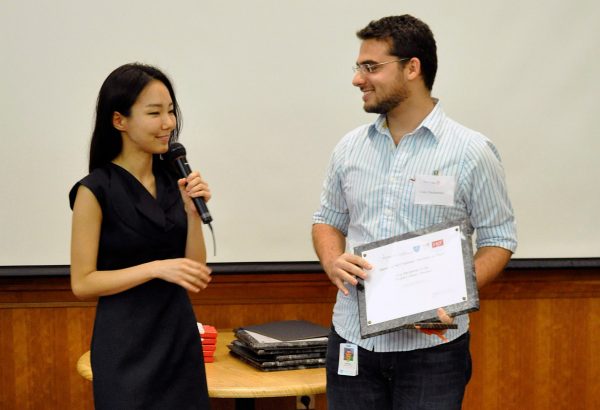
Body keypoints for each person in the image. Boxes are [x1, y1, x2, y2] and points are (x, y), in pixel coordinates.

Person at [312, 15, 517, 410]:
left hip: (433, 350)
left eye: (371, 67)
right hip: (353, 339)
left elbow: (499, 239)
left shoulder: (471, 151)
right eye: (358, 67)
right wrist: (333, 260)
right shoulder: (349, 148)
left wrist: (454, 297)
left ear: (412, 68)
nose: (358, 79)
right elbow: (327, 220)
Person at [69, 63, 212, 409]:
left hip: (178, 339)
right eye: (154, 113)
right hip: (126, 346)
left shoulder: (173, 181)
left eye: (170, 112)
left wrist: (193, 214)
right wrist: (155, 268)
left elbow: (194, 269)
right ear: (119, 120)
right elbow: (83, 283)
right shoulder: (95, 190)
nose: (168, 124)